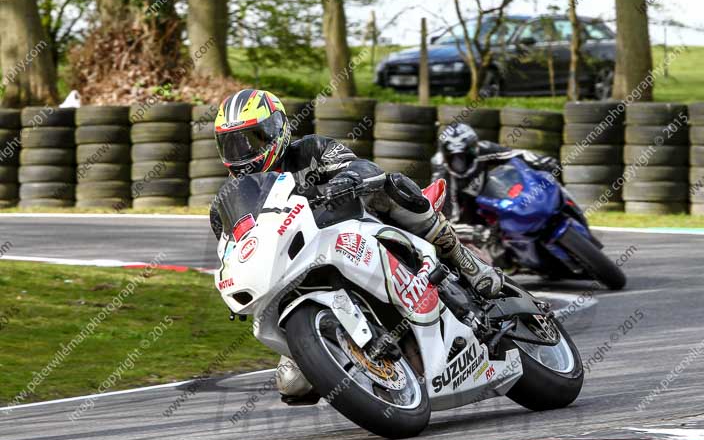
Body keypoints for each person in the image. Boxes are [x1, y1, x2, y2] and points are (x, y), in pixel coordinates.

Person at [209, 89, 504, 404]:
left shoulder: (311, 149)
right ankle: (352, 361)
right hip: (298, 268)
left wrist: (347, 179)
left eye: (251, 139)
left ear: (277, 129)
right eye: (233, 144)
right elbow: (235, 250)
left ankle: (468, 264)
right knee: (293, 383)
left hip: (355, 225)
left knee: (393, 185)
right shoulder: (226, 204)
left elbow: (361, 166)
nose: (243, 152)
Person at [431, 123, 561, 224]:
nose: (459, 164)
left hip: (486, 193)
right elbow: (449, 222)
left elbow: (516, 154)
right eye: (453, 158)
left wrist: (544, 162)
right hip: (462, 211)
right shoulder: (442, 177)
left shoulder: (484, 149)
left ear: (474, 150)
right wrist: (473, 232)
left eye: (464, 157)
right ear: (445, 156)